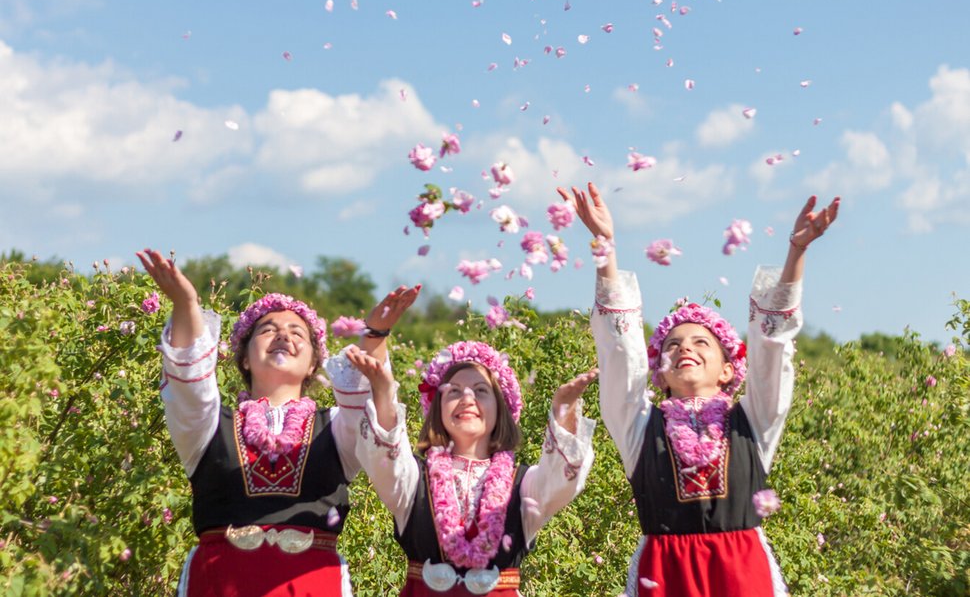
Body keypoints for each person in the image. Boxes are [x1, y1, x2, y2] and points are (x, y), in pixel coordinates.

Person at [557, 183, 840, 597]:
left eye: (700, 342)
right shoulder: (639, 427)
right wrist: (606, 245)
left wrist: (796, 252)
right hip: (666, 576)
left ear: (728, 370)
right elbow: (620, 352)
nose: (684, 347)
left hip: (742, 575)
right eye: (672, 344)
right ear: (659, 372)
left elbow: (772, 350)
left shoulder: (753, 421)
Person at [135, 248, 420, 597]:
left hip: (311, 587)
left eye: (297, 333)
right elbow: (187, 384)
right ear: (244, 358)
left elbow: (367, 401)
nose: (283, 335)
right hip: (220, 585)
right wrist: (186, 303)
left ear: (315, 363)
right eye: (268, 330)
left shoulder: (334, 429)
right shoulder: (208, 427)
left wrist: (374, 335)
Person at [340, 337, 598, 596]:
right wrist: (383, 391)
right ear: (437, 407)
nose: (466, 398)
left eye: (480, 390)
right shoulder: (413, 479)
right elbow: (385, 459)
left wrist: (565, 412)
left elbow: (559, 481)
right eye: (453, 391)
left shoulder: (524, 485)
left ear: (501, 407)